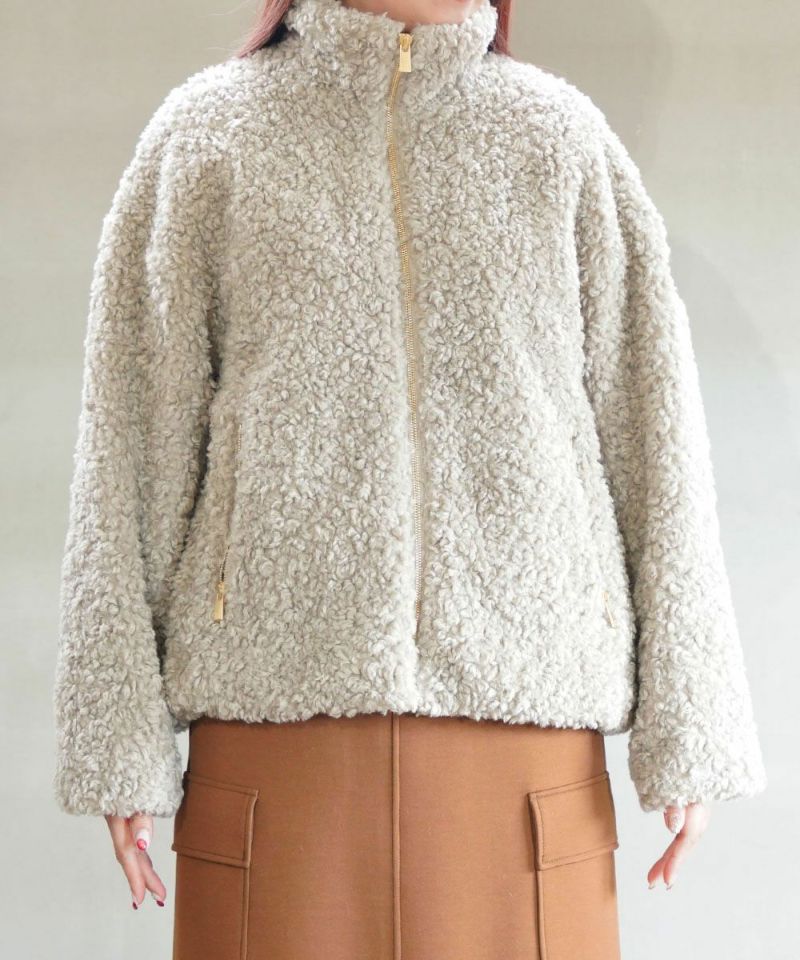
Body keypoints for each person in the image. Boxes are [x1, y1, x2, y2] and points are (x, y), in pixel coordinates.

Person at [52, 0, 767, 956]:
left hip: (525, 759)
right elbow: (131, 443)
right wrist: (118, 742)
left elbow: (655, 436)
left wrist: (691, 722)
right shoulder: (209, 137)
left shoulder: (559, 140)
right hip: (276, 751)